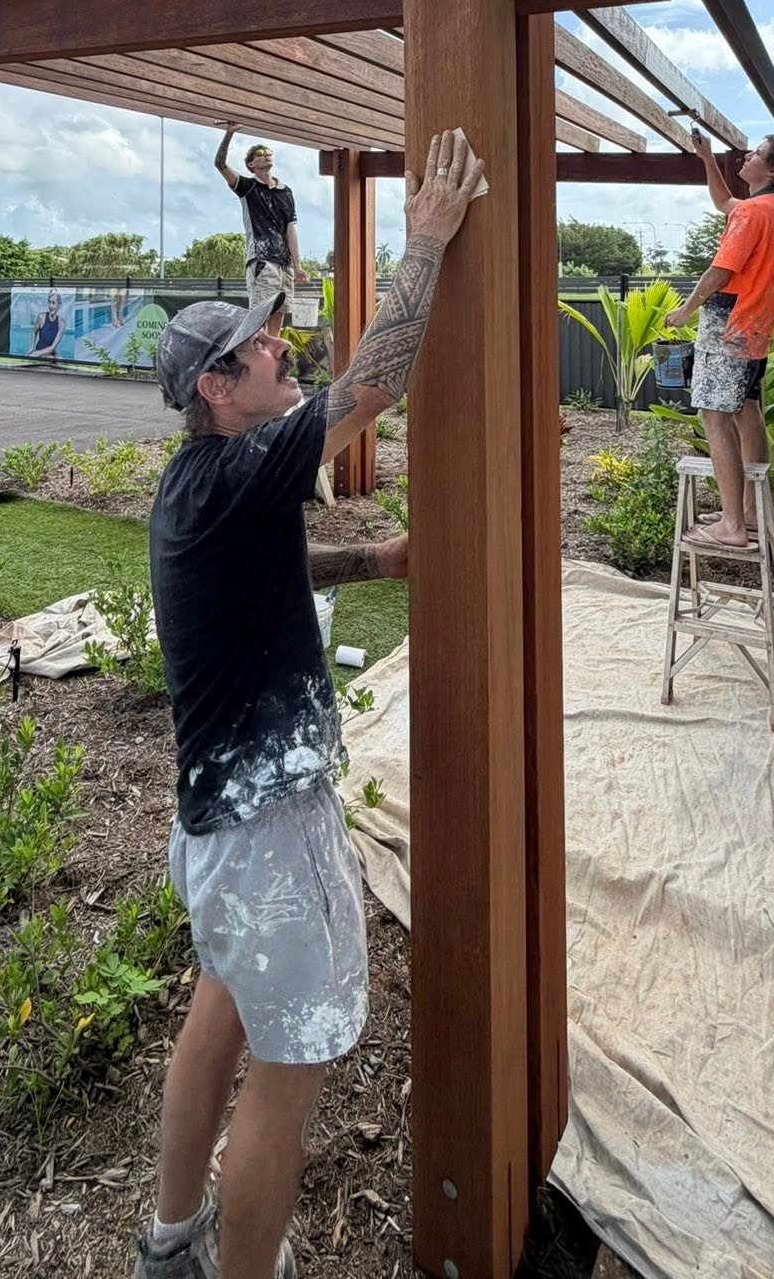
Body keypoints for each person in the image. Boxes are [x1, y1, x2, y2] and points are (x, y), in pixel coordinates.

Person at [135, 129, 486, 1279]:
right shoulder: (243, 465)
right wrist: (425, 242)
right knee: (284, 1079)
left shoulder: (200, 486)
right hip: (270, 834)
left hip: (215, 829)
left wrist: (375, 561)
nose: (278, 342)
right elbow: (378, 378)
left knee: (219, 1013)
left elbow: (270, 569)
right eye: (256, 345)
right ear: (214, 387)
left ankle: (169, 1242)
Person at [665, 130, 774, 549]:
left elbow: (721, 271)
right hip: (755, 327)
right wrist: (707, 159)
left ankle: (731, 526)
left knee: (714, 418)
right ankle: (748, 511)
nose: (747, 156)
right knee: (748, 412)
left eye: (758, 153)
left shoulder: (752, 213)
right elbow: (723, 203)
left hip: (729, 324)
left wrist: (685, 310)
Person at [213, 130, 310, 325]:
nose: (266, 155)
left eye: (268, 152)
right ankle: (256, 345)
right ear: (251, 165)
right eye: (260, 154)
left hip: (284, 264)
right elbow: (220, 164)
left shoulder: (285, 191)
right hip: (262, 259)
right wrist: (230, 133)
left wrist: (297, 266)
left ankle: (273, 347)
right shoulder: (247, 187)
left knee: (279, 313)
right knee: (260, 315)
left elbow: (290, 229)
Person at [25, 287, 65, 361]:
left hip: (50, 351)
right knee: (51, 358)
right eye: (49, 302)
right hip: (40, 349)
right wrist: (32, 348)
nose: (50, 306)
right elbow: (34, 332)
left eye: (53, 303)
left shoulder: (62, 323)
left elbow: (52, 347)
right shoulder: (41, 317)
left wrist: (35, 354)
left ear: (59, 304)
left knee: (63, 360)